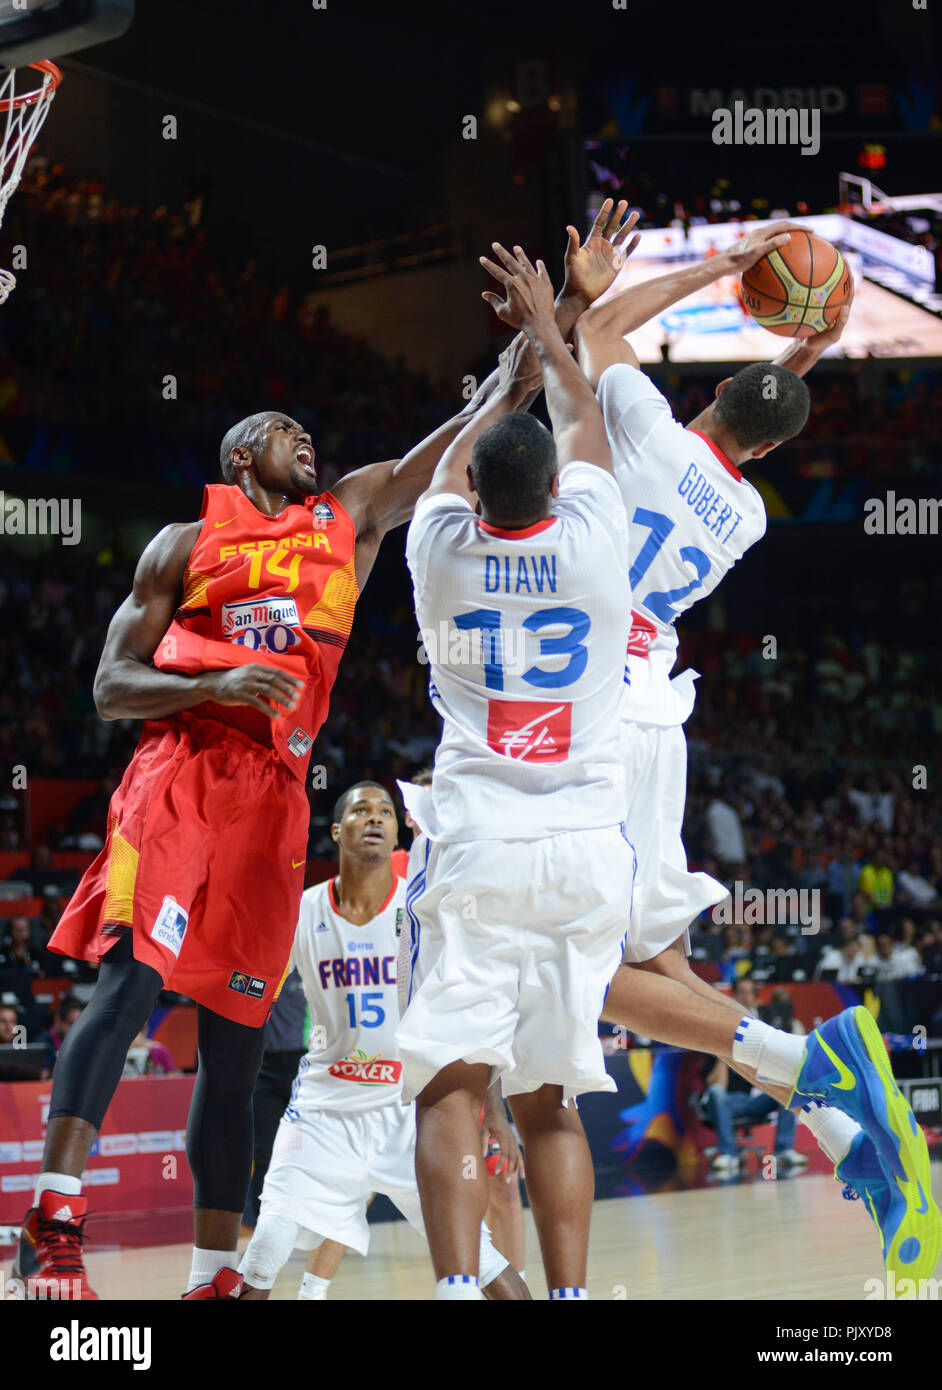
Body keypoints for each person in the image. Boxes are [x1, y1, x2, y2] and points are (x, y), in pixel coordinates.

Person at [11, 345, 544, 1302]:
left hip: (277, 804)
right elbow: (106, 686)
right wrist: (213, 679)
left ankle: (214, 1276)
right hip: (183, 777)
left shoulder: (345, 519)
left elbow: (454, 451)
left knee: (237, 1043)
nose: (304, 439)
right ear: (238, 459)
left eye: (307, 432)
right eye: (280, 431)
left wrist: (526, 361)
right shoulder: (185, 541)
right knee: (132, 982)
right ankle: (51, 1220)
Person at [568, 228, 938, 1284]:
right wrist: (806, 349)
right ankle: (864, 1154)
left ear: (723, 381)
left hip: (592, 719)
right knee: (668, 976)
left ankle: (821, 1065)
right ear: (773, 450)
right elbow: (741, 428)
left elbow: (598, 328)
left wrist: (712, 274)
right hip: (657, 721)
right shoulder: (740, 512)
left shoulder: (647, 431)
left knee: (583, 968)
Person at [238, 781, 527, 1301]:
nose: (374, 818)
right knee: (264, 1250)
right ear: (335, 831)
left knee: (480, 1258)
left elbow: (470, 1017)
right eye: (360, 810)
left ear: (396, 830)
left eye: (385, 812)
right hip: (323, 1114)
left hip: (409, 1114)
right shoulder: (301, 912)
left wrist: (496, 1111)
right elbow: (249, 998)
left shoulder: (422, 915)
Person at [701, 978, 806, 1171]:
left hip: (751, 1100)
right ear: (733, 995)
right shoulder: (717, 1028)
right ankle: (728, 1153)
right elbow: (714, 1084)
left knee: (789, 1090)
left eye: (749, 993)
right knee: (717, 1092)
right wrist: (724, 1045)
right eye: (741, 992)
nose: (744, 997)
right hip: (726, 1101)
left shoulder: (757, 1030)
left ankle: (783, 1150)